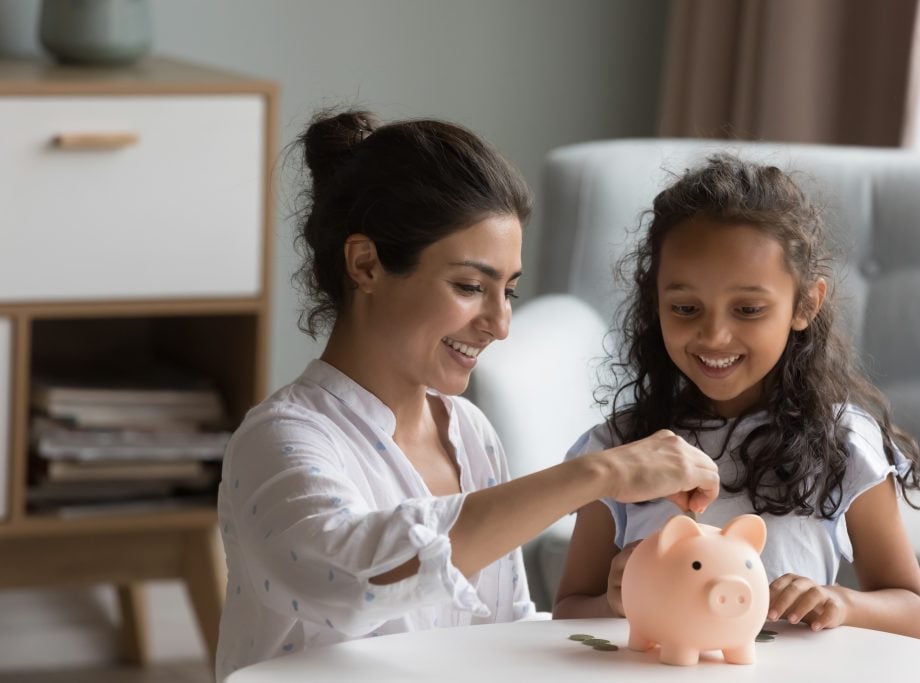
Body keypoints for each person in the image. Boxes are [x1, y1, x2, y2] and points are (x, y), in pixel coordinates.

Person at [215, 109, 721, 680]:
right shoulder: (280, 439)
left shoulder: (468, 431)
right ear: (365, 264)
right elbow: (356, 579)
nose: (500, 324)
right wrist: (598, 474)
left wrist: (622, 601)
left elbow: (503, 628)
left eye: (508, 291)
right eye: (469, 287)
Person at [552, 154, 920, 639]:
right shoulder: (620, 450)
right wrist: (614, 600)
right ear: (656, 304)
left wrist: (839, 602)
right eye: (686, 307)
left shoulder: (845, 441)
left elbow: (913, 612)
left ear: (805, 305)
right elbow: (567, 609)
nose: (714, 336)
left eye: (748, 309)